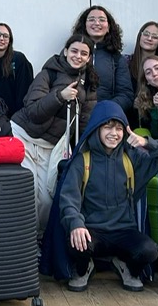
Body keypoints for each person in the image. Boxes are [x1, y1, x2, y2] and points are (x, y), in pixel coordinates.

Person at [55, 100, 158, 292]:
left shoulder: (132, 158)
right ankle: (84, 268)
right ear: (97, 128)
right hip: (92, 230)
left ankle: (125, 266)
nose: (114, 133)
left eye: (119, 128)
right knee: (76, 244)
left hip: (124, 230)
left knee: (150, 251)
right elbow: (69, 199)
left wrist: (147, 143)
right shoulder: (83, 160)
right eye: (108, 127)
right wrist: (76, 224)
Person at [12, 35, 98, 234]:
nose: (78, 56)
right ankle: (25, 239)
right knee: (28, 191)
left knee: (46, 198)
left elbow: (84, 123)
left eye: (83, 53)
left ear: (89, 58)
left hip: (52, 145)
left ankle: (41, 238)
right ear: (66, 51)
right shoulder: (48, 73)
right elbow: (33, 111)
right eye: (74, 51)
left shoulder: (90, 84)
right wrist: (60, 96)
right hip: (24, 135)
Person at [70, 5, 134, 113]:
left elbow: (126, 95)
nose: (96, 23)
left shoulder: (117, 59)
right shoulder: (71, 54)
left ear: (108, 27)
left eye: (102, 20)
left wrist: (105, 110)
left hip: (105, 117)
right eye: (91, 19)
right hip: (75, 116)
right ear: (84, 25)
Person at [0, 22, 34, 119]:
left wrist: (17, 119)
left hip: (18, 118)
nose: (1, 38)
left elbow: (25, 93)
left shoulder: (19, 59)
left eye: (5, 36)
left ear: (9, 41)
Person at [127, 21, 158, 86]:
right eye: (146, 34)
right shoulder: (126, 62)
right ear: (140, 36)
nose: (149, 38)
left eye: (155, 37)